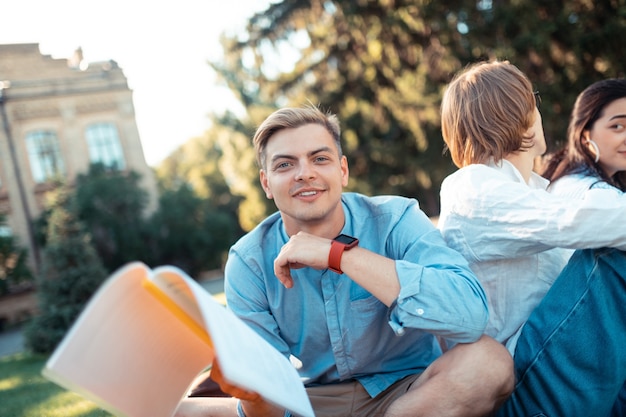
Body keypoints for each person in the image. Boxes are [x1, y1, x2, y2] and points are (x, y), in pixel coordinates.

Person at [175, 105, 513, 417]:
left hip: (409, 395)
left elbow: (471, 316)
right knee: (182, 412)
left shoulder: (396, 219)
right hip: (312, 401)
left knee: (489, 363)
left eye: (319, 159)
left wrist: (337, 255)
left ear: (343, 169)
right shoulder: (248, 262)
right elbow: (273, 405)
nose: (304, 174)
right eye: (284, 164)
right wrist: (253, 395)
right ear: (266, 182)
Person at [437, 60, 626, 417]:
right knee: (609, 253)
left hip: (556, 367)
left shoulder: (532, 192)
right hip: (525, 384)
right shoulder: (473, 186)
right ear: (517, 116)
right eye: (532, 102)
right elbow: (578, 221)